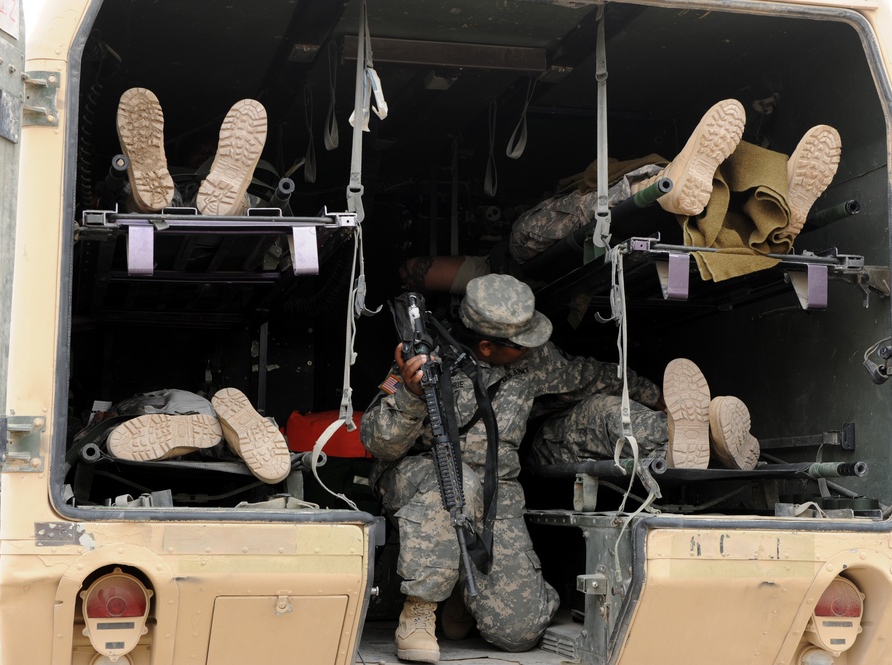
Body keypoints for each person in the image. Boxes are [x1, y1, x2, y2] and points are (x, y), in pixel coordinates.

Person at [360, 273, 758, 662]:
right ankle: (418, 613)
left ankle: (687, 434)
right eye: (523, 343)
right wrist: (411, 396)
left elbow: (591, 376)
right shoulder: (423, 366)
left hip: (496, 489)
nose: (535, 348)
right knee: (457, 482)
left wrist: (657, 400)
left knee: (519, 633)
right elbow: (378, 443)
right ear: (486, 346)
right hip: (420, 479)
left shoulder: (532, 362)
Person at [401, 98, 843, 292]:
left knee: (701, 193)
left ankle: (775, 198)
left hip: (520, 274)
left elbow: (418, 271)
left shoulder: (477, 287)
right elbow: (420, 271)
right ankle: (769, 200)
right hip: (526, 269)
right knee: (528, 230)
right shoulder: (486, 284)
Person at [73, 387, 291, 484]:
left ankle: (230, 440)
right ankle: (248, 435)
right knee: (214, 437)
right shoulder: (142, 397)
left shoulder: (121, 409)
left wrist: (97, 423)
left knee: (114, 440)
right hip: (199, 409)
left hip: (153, 418)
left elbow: (79, 444)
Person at [115, 87, 269, 215]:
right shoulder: (170, 179)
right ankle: (149, 197)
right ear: (185, 152)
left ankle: (229, 204)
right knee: (160, 196)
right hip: (170, 207)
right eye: (201, 150)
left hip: (211, 219)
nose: (206, 156)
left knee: (217, 203)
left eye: (213, 155)